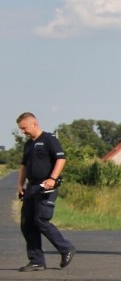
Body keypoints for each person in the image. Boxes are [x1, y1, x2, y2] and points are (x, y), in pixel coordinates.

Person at [16, 112, 76, 272]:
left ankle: (66, 248)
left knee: (41, 219)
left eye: (24, 128)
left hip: (46, 187)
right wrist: (20, 186)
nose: (23, 131)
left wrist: (52, 178)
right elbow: (23, 166)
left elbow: (61, 159)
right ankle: (37, 261)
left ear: (34, 123)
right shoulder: (28, 144)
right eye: (21, 129)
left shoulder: (49, 139)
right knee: (27, 224)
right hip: (31, 187)